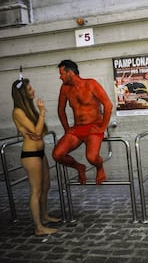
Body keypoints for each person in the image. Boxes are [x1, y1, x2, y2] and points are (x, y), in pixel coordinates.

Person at [11, 78, 60, 236]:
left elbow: (40, 131)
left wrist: (36, 126)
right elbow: (37, 132)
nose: (33, 91)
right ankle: (38, 227)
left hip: (40, 153)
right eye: (30, 89)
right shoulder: (18, 111)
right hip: (30, 155)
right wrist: (43, 112)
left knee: (46, 186)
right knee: (36, 190)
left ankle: (44, 216)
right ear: (23, 93)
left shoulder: (29, 109)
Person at [52, 60, 113, 185]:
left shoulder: (91, 84)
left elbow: (108, 105)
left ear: (70, 73)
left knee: (92, 157)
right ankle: (79, 167)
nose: (60, 77)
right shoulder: (65, 88)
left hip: (94, 126)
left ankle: (99, 167)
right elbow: (60, 109)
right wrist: (66, 128)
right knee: (57, 155)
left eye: (62, 73)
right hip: (77, 128)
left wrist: (102, 128)